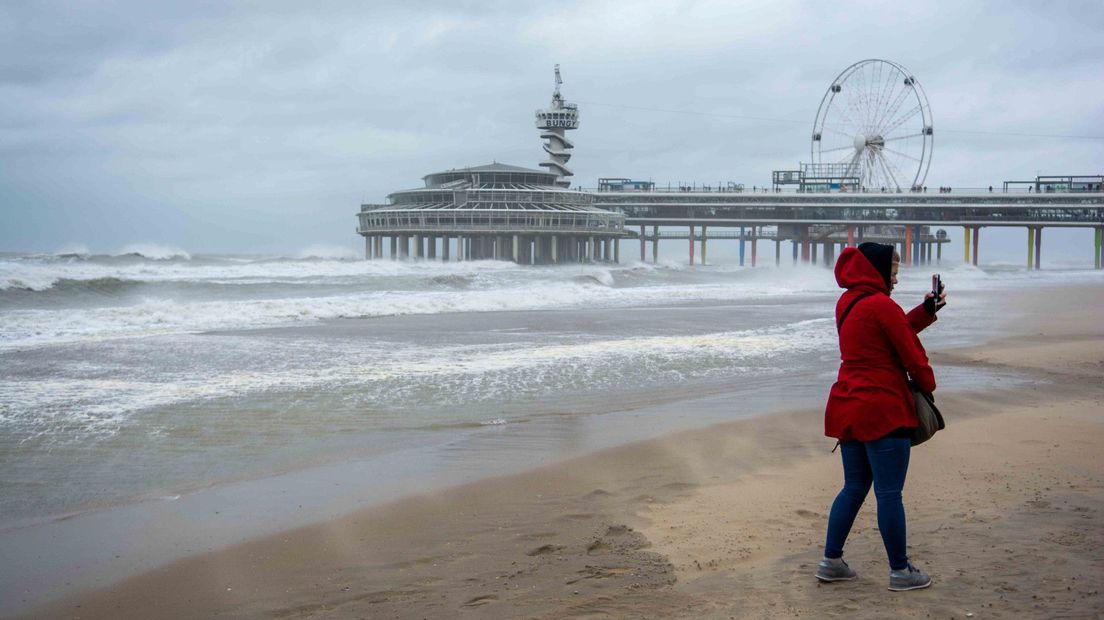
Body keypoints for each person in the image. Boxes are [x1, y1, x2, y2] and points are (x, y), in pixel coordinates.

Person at [815, 242, 946, 591]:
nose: (896, 279)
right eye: (893, 271)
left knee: (854, 486)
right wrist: (928, 387)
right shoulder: (882, 305)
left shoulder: (848, 302)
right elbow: (911, 355)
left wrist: (925, 311)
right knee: (889, 493)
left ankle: (831, 562)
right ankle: (900, 571)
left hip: (849, 405)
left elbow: (885, 331)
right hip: (883, 408)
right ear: (876, 270)